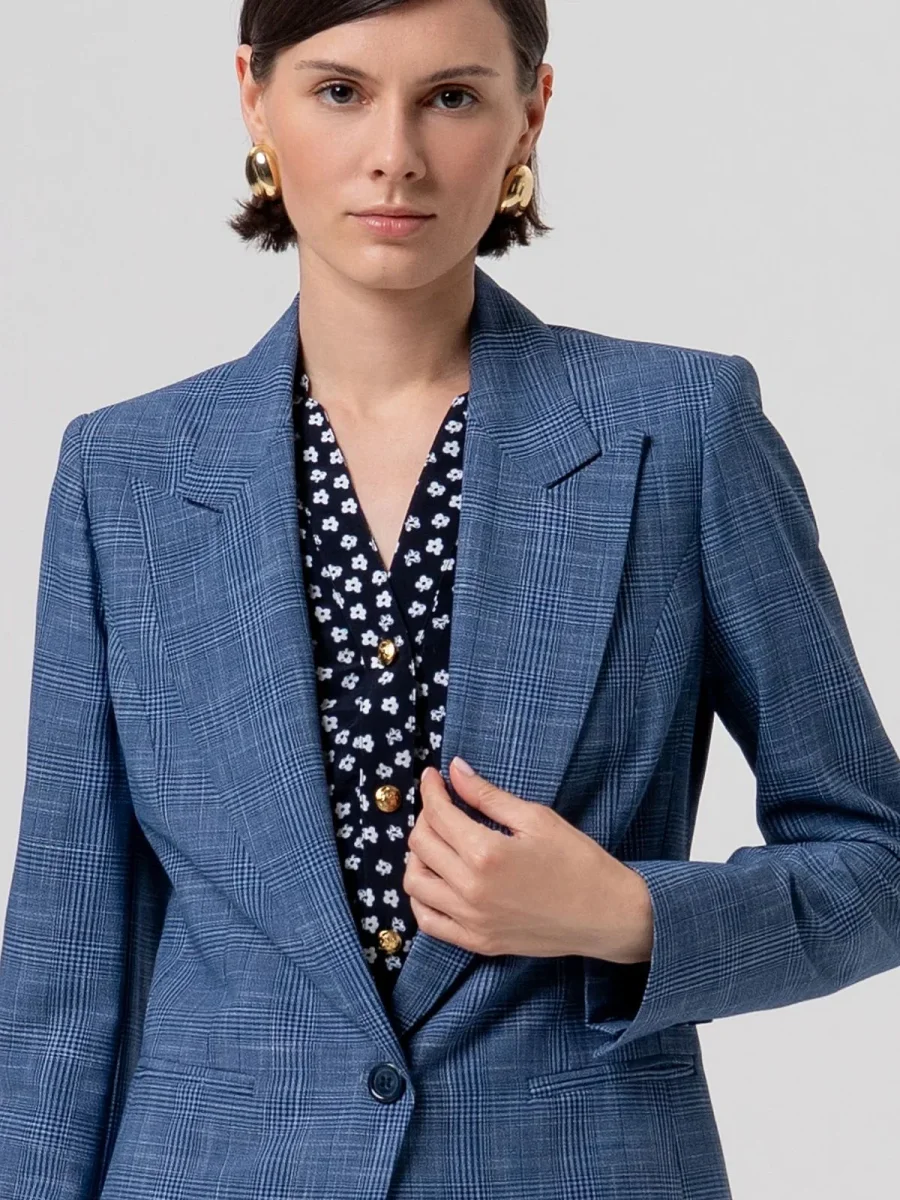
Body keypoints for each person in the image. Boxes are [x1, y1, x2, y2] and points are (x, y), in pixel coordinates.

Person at [2, 0, 899, 1197]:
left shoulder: (680, 431)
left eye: (452, 97)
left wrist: (628, 913)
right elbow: (65, 969)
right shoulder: (125, 475)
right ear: (253, 96)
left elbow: (877, 861)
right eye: (340, 92)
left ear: (530, 113)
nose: (396, 155)